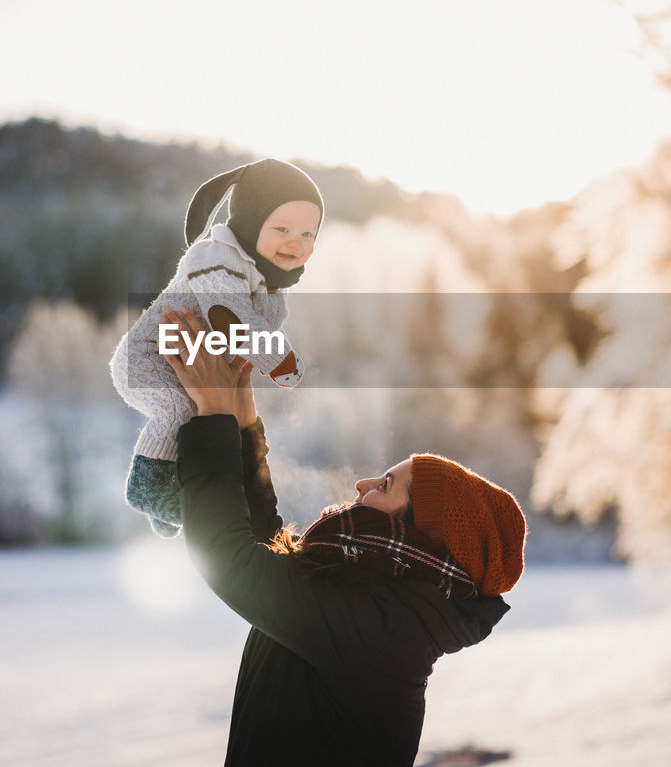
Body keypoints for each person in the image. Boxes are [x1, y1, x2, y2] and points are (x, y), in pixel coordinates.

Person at [160, 305, 527, 766]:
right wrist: (240, 417)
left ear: (417, 532)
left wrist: (213, 413)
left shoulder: (384, 630)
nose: (363, 485)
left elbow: (232, 560)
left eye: (386, 485)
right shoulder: (386, 607)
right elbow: (271, 549)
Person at [109, 158, 323, 536]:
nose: (296, 242)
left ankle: (168, 501)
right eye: (283, 228)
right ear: (249, 223)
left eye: (308, 234)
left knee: (199, 417)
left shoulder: (267, 284)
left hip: (190, 361)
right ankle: (149, 489)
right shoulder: (216, 258)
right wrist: (281, 360)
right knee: (181, 406)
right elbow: (228, 314)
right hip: (149, 357)